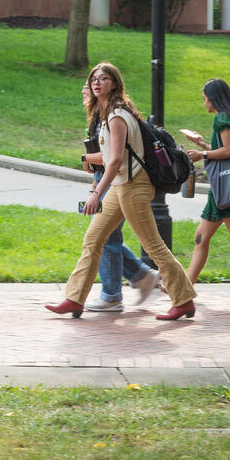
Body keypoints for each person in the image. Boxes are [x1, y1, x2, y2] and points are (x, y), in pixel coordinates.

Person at [46, 62, 197, 321]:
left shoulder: (116, 116)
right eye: (94, 79)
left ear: (114, 84)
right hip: (121, 186)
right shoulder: (109, 114)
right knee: (94, 239)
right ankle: (74, 299)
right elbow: (111, 157)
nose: (97, 83)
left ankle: (183, 300)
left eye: (103, 79)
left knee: (154, 246)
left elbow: (115, 161)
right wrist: (89, 160)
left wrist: (95, 194)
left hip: (133, 187)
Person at [79, 81, 161, 312]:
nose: (86, 90)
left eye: (89, 85)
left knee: (106, 238)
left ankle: (112, 295)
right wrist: (93, 186)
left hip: (121, 182)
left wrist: (87, 161)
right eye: (86, 85)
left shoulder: (111, 116)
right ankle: (141, 276)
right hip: (110, 182)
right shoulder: (100, 116)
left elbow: (111, 158)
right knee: (105, 237)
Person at [182, 78, 230, 284]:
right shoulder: (227, 117)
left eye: (205, 98)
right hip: (221, 191)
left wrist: (202, 155)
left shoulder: (222, 118)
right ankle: (186, 287)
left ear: (213, 99)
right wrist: (203, 144)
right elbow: (225, 150)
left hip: (225, 192)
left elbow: (229, 151)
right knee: (201, 238)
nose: (204, 102)